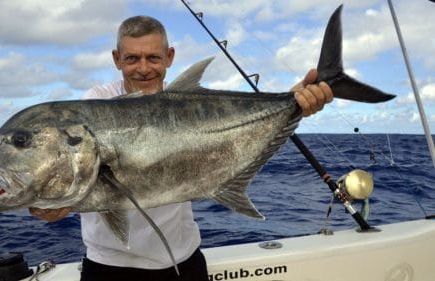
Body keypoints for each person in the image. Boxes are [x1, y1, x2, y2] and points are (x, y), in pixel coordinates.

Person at [30, 15, 333, 281]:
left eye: (153, 58)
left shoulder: (189, 103)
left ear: (170, 56)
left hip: (183, 263)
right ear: (117, 59)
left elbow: (244, 122)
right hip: (108, 267)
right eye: (132, 59)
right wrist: (51, 204)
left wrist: (293, 102)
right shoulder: (93, 106)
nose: (144, 69)